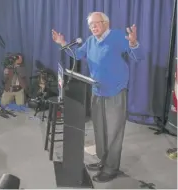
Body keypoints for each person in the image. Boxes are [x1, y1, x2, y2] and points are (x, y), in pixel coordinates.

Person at [52, 12, 142, 182]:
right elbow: (77, 54)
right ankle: (103, 160)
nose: (93, 27)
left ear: (105, 23)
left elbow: (138, 56)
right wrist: (62, 43)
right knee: (100, 131)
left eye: (96, 23)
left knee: (114, 132)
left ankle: (111, 168)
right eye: (90, 24)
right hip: (97, 92)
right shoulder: (91, 41)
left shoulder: (117, 37)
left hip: (115, 92)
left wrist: (133, 42)